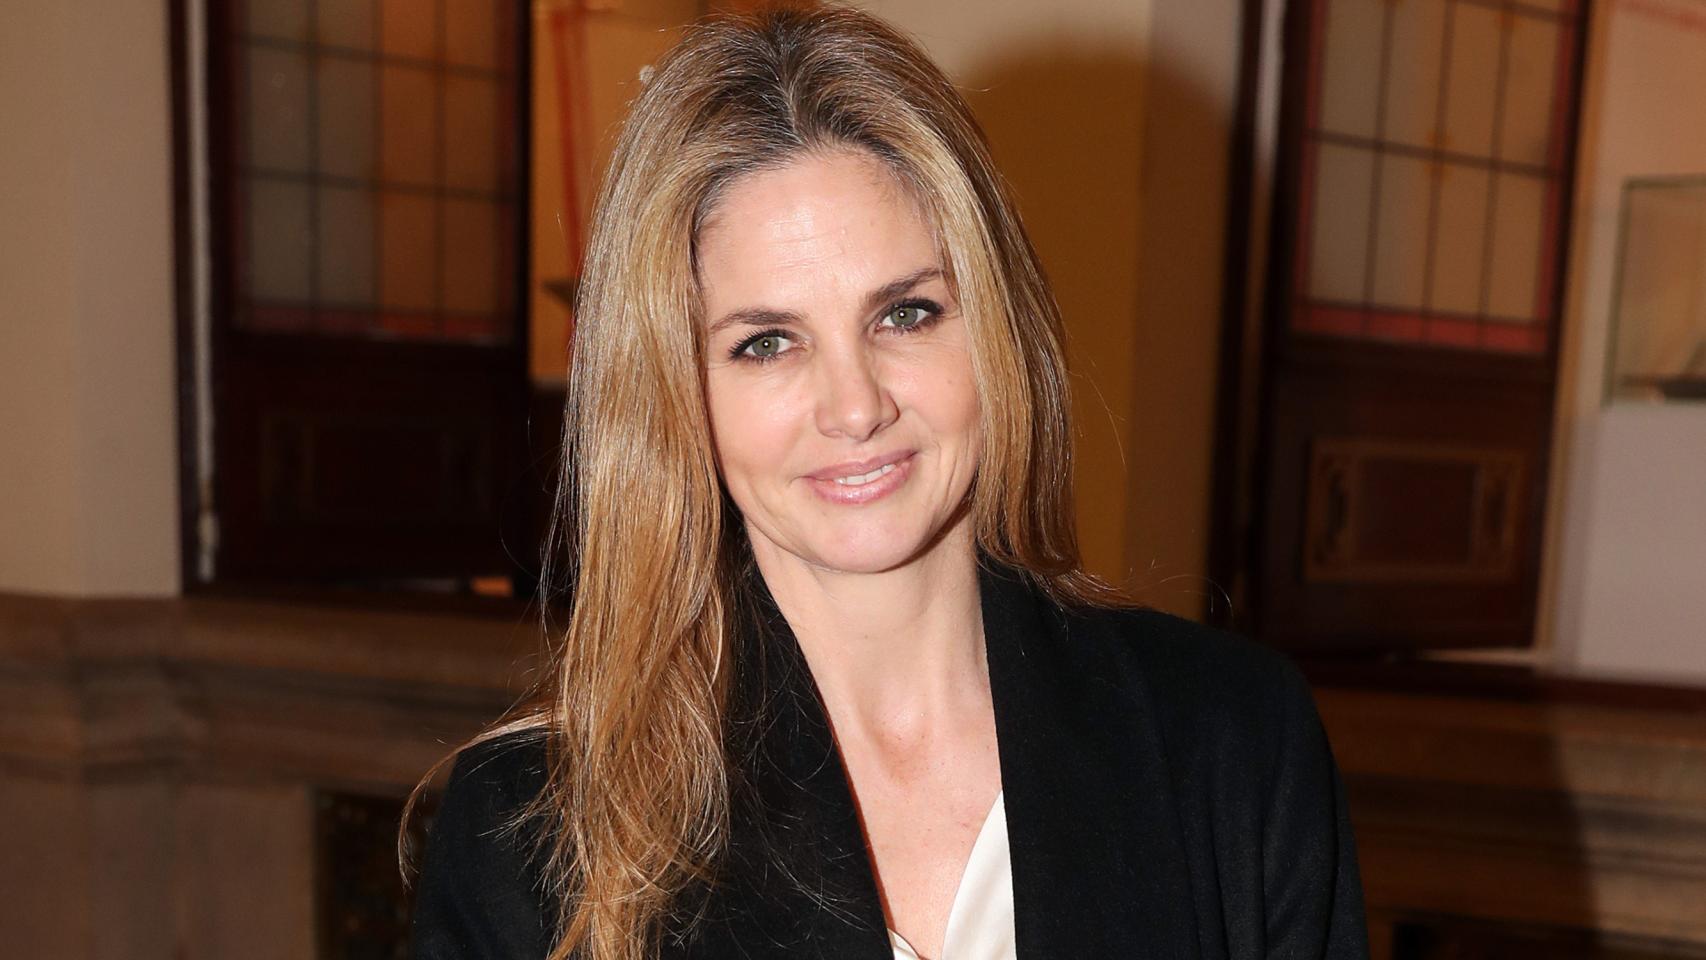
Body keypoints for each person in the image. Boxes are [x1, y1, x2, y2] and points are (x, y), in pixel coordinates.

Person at [407, 5, 1369, 960]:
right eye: (766, 342)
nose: (855, 406)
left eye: (905, 314)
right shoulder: (532, 834)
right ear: (671, 394)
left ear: (997, 327)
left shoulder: (1231, 740)